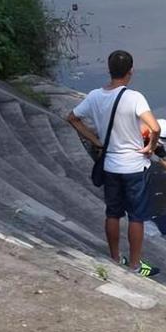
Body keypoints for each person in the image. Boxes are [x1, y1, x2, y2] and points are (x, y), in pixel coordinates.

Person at [67, 50, 160, 277]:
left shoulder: (94, 96)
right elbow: (155, 128)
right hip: (135, 167)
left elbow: (72, 117)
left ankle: (115, 258)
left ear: (108, 70)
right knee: (136, 217)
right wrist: (151, 147)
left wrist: (95, 140)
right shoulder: (135, 97)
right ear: (130, 72)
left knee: (113, 214)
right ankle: (135, 265)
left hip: (110, 165)